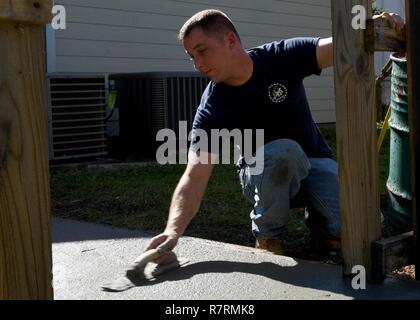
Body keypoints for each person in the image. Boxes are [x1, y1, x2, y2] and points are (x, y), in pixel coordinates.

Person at [145, 9, 405, 263]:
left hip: (314, 161)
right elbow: (194, 175)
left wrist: (377, 28)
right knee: (283, 151)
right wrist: (172, 231)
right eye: (191, 56)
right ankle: (268, 236)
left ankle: (321, 224)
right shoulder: (213, 106)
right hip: (260, 172)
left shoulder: (280, 57)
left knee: (363, 226)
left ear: (230, 40)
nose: (198, 64)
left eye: (202, 51)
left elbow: (341, 46)